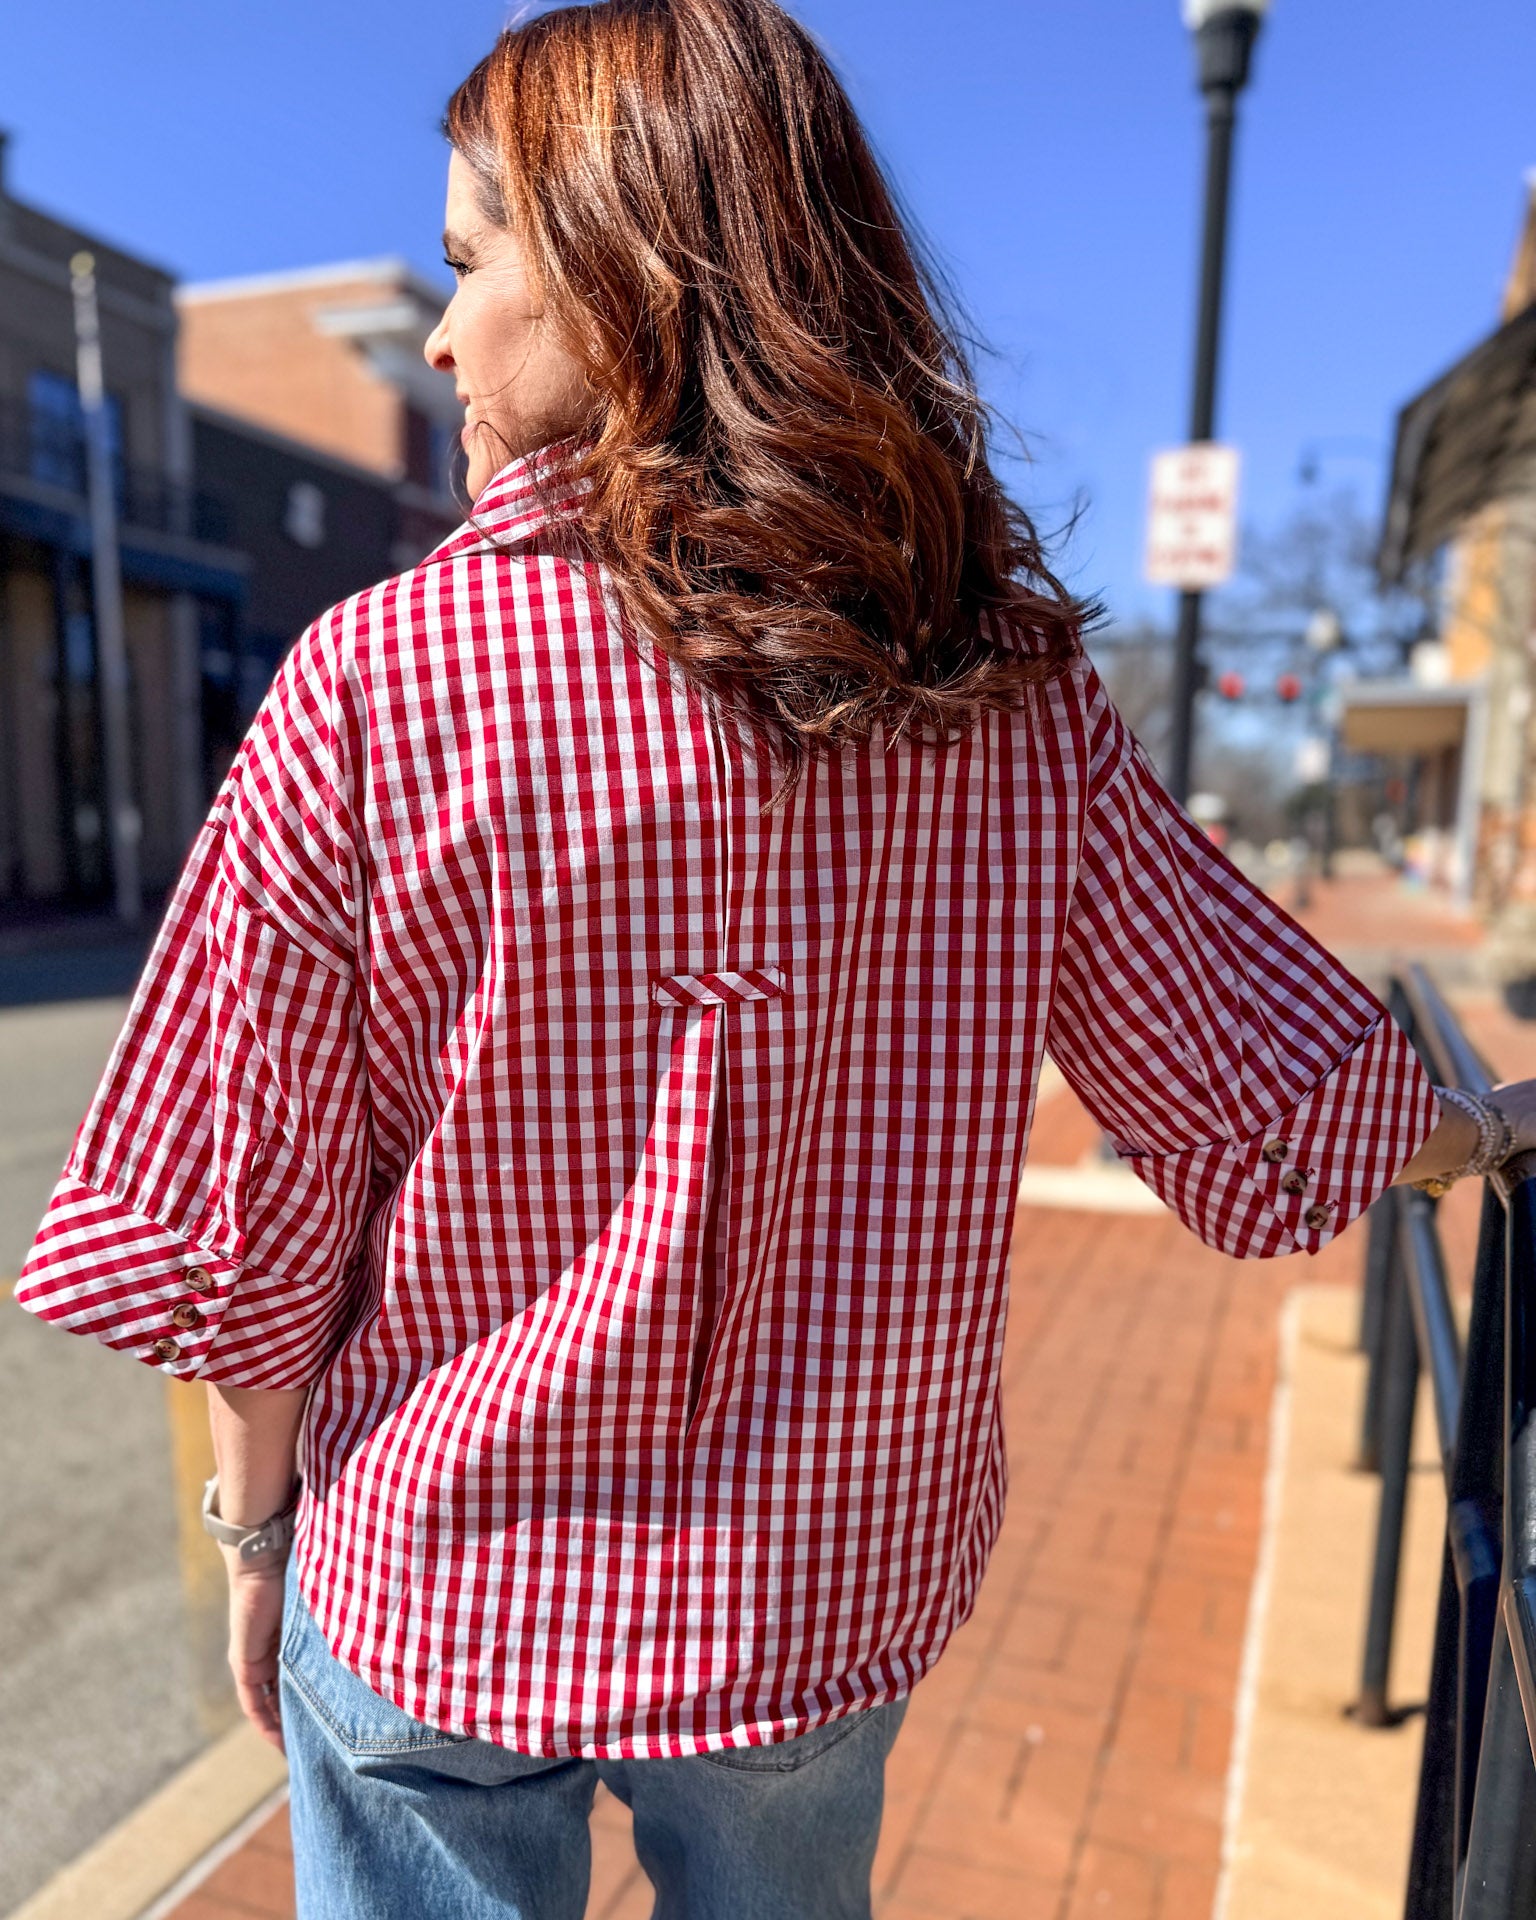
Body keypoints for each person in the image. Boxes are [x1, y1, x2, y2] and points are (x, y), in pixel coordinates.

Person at [14, 3, 1534, 1915]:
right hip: (814, 1589)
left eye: (476, 264)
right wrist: (1477, 1135)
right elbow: (1246, 1068)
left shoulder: (381, 683)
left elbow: (253, 1225)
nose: (441, 330)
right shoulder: (996, 699)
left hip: (443, 1570)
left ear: (623, 278)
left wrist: (257, 1532)